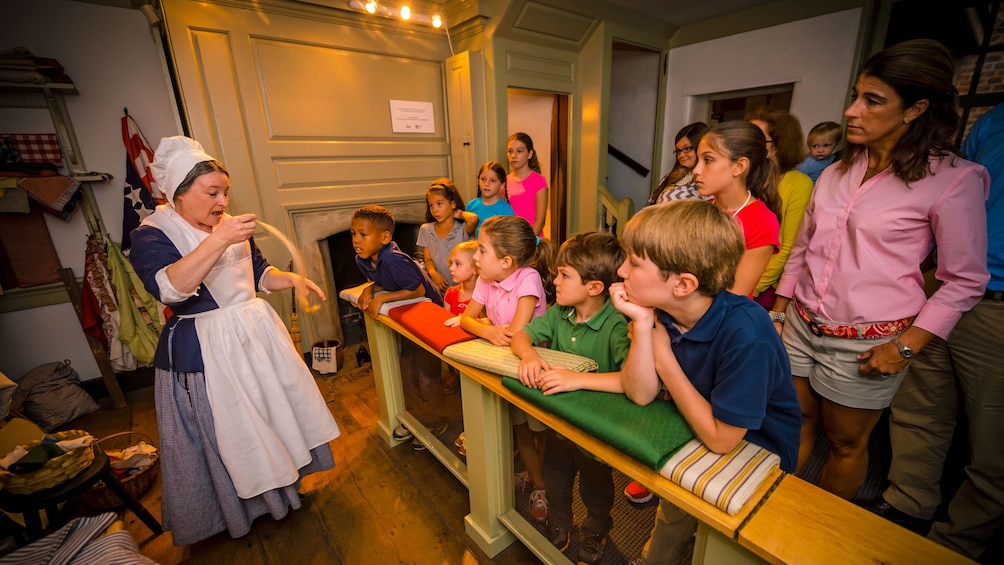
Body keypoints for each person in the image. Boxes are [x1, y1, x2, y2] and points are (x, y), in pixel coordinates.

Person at [770, 39, 990, 499]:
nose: (852, 111)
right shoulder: (834, 172)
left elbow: (965, 280)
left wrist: (906, 347)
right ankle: (774, 513)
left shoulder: (952, 180)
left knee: (846, 443)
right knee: (794, 421)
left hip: (868, 343)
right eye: (855, 96)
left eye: (872, 101)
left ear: (915, 109)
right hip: (801, 326)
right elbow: (805, 246)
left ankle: (822, 535)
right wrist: (781, 308)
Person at [129, 136, 340, 546]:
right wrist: (219, 239)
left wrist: (292, 279)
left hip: (256, 337)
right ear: (178, 193)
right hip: (206, 347)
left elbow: (259, 273)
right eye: (212, 193)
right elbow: (171, 289)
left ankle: (284, 487)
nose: (223, 200)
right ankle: (238, 509)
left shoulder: (229, 226)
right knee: (234, 431)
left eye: (225, 191)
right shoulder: (152, 233)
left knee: (273, 413)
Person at [611, 199, 800, 565]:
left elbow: (721, 439)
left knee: (724, 548)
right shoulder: (660, 313)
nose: (621, 271)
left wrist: (662, 357)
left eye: (634, 263)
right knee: (674, 514)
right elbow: (641, 392)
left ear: (682, 284)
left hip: (756, 459)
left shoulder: (748, 334)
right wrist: (643, 326)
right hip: (693, 432)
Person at [859, 101, 1002, 560]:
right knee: (918, 408)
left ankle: (953, 547)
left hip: (998, 305)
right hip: (938, 285)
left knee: (992, 445)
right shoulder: (995, 118)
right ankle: (907, 505)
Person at [509, 231, 629, 565]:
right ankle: (560, 523)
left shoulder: (616, 327)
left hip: (594, 429)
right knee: (557, 482)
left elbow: (632, 381)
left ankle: (595, 528)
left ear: (594, 288)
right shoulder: (560, 315)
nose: (555, 281)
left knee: (596, 490)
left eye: (564, 275)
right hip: (558, 424)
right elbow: (521, 335)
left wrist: (578, 379)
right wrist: (529, 356)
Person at [459, 215, 556, 522]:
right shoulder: (489, 279)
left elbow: (517, 331)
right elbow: (466, 318)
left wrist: (489, 327)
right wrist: (487, 331)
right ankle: (534, 476)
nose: (475, 257)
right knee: (519, 428)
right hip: (504, 364)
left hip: (532, 370)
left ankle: (542, 485)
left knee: (539, 431)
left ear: (506, 261)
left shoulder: (528, 278)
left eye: (482, 250)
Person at [352, 205, 448, 450]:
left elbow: (417, 290)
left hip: (430, 317)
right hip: (408, 317)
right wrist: (369, 289)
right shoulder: (363, 258)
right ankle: (418, 417)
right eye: (353, 234)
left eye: (363, 235)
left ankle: (435, 422)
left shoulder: (394, 259)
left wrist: (382, 298)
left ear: (385, 237)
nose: (356, 240)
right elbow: (379, 281)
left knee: (426, 374)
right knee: (407, 369)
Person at [693, 120, 782, 298]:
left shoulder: (762, 222)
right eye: (698, 160)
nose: (696, 170)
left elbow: (732, 297)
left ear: (739, 166)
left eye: (708, 160)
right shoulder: (702, 209)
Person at [745, 109, 814, 309]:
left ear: (777, 145)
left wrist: (752, 287)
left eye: (757, 139)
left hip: (763, 288)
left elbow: (787, 247)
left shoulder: (799, 183)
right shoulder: (748, 177)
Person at [443, 240, 480, 454]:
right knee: (463, 395)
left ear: (475, 269)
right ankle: (469, 429)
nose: (451, 268)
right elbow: (444, 322)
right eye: (451, 263)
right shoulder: (451, 293)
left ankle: (478, 434)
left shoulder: (482, 296)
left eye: (458, 264)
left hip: (476, 356)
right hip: (456, 355)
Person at [417, 178, 477, 293]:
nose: (435, 210)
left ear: (453, 203)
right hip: (438, 289)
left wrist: (459, 213)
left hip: (463, 291)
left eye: (439, 204)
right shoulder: (426, 229)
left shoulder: (463, 229)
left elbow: (473, 219)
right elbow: (428, 259)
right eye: (431, 205)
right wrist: (433, 273)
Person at [646, 122, 710, 205]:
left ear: (700, 148)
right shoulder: (671, 176)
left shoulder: (708, 183)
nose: (681, 155)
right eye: (678, 151)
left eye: (687, 148)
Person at [506, 132, 549, 236]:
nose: (513, 156)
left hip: (532, 241)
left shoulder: (539, 181)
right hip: (510, 240)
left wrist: (526, 242)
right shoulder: (504, 181)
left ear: (530, 154)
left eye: (519, 151)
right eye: (510, 151)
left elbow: (540, 221)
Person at [467, 161, 515, 237]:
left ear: (502, 185)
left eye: (492, 181)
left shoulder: (506, 210)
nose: (486, 184)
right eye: (483, 179)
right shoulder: (471, 206)